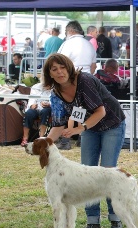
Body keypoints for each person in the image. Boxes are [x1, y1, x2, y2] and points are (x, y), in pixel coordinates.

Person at [44, 53, 126, 228]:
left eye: (62, 67)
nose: (60, 72)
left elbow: (101, 111)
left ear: (69, 67)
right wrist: (44, 144)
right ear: (49, 74)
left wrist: (80, 128)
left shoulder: (84, 80)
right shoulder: (56, 94)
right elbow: (58, 125)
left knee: (107, 170)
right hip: (88, 128)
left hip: (111, 124)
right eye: (54, 69)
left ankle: (115, 219)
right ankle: (92, 222)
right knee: (86, 171)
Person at [57, 20, 97, 150]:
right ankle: (80, 137)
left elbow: (59, 64)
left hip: (72, 80)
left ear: (70, 31)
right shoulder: (89, 44)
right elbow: (93, 66)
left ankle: (66, 139)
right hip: (88, 80)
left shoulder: (67, 44)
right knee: (80, 110)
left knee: (70, 112)